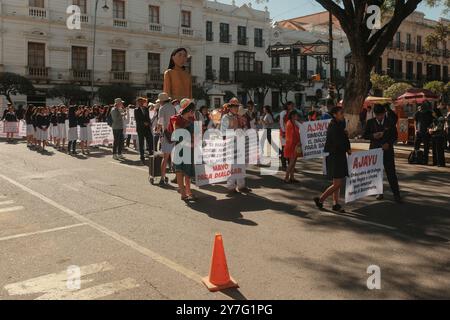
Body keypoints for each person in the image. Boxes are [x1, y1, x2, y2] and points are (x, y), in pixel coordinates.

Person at [314, 107, 351, 213]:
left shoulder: (339, 124)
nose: (343, 114)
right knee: (337, 184)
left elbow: (343, 138)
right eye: (341, 113)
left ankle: (335, 204)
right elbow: (337, 142)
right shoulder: (334, 125)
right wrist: (347, 148)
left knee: (337, 182)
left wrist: (346, 137)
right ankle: (320, 200)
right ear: (335, 114)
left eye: (343, 112)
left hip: (338, 155)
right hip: (335, 156)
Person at [364, 104, 402, 203]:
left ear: (384, 113)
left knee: (391, 173)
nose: (379, 117)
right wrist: (373, 136)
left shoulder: (390, 122)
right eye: (377, 115)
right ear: (374, 114)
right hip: (375, 151)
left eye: (381, 115)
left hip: (387, 151)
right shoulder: (370, 122)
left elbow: (395, 136)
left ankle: (396, 194)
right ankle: (379, 192)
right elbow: (365, 135)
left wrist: (388, 144)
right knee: (377, 172)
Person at [221, 97, 251, 196]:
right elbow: (223, 132)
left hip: (240, 143)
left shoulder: (239, 117)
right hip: (230, 145)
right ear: (230, 108)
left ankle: (241, 185)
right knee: (232, 166)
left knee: (241, 165)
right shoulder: (225, 117)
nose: (236, 108)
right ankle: (230, 187)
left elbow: (244, 128)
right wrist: (234, 130)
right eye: (234, 107)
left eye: (237, 107)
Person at [172, 99, 197, 202]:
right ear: (187, 110)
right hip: (180, 148)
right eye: (192, 110)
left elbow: (196, 135)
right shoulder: (178, 119)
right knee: (179, 171)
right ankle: (183, 193)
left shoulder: (192, 121)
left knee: (188, 172)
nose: (193, 112)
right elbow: (176, 135)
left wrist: (195, 142)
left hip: (189, 149)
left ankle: (189, 192)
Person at [156, 92, 176, 185]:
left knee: (165, 156)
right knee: (174, 156)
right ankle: (177, 176)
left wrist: (157, 130)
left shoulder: (162, 108)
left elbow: (160, 122)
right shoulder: (173, 107)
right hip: (174, 133)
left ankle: (162, 178)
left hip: (166, 133)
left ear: (161, 101)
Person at [283, 110, 301, 183]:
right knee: (291, 162)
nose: (297, 116)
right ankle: (286, 177)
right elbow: (291, 136)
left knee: (293, 162)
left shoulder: (295, 123)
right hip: (291, 145)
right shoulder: (289, 123)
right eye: (296, 115)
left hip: (296, 145)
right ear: (293, 116)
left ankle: (292, 177)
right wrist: (297, 143)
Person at [134, 97, 153, 163]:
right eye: (139, 102)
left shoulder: (146, 108)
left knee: (150, 141)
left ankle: (151, 155)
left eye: (142, 102)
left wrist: (149, 123)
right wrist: (143, 123)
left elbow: (148, 117)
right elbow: (137, 120)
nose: (141, 103)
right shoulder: (136, 110)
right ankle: (142, 156)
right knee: (141, 143)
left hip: (147, 128)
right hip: (140, 128)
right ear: (137, 103)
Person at [279, 101, 295, 170]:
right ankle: (284, 166)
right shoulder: (283, 113)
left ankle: (290, 166)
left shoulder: (292, 113)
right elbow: (281, 123)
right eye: (291, 105)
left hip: (290, 133)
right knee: (284, 150)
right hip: (284, 133)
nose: (293, 106)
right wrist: (284, 132)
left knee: (290, 150)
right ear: (288, 106)